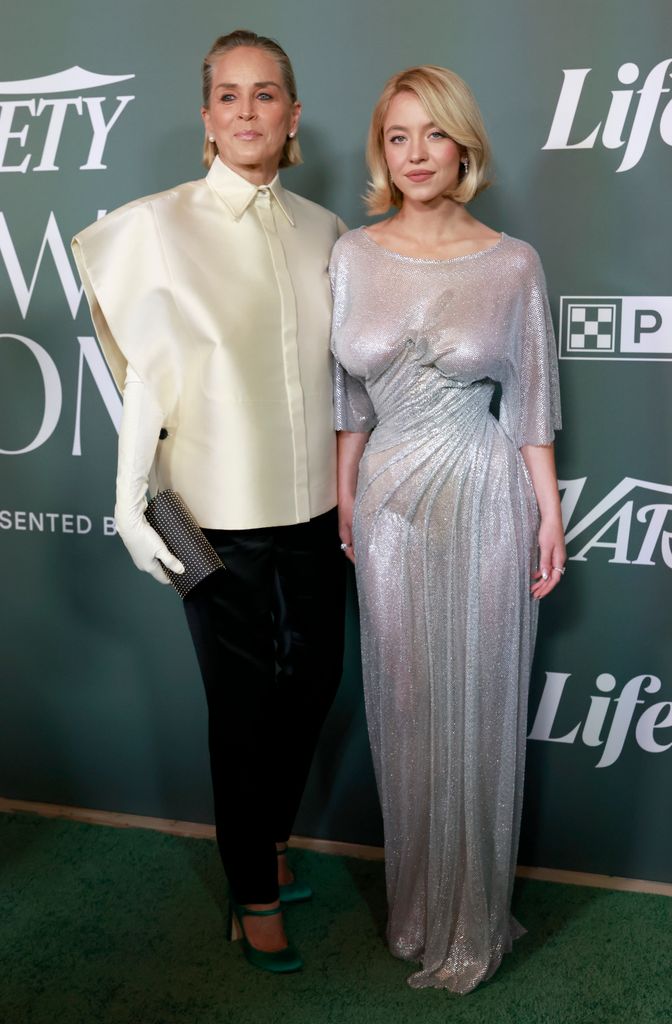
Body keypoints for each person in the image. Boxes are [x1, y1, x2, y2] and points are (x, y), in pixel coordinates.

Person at [72, 30, 347, 974]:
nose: (245, 111)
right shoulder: (158, 225)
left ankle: (265, 836)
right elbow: (146, 378)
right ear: (205, 116)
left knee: (311, 686)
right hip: (209, 509)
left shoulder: (325, 230)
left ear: (292, 114)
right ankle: (256, 889)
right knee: (240, 708)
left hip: (317, 508)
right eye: (227, 95)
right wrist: (126, 500)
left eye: (265, 94)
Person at [330, 65, 565, 993]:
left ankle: (472, 916)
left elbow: (533, 405)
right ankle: (420, 908)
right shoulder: (352, 253)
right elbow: (349, 395)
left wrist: (549, 515)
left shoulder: (513, 262)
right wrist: (343, 491)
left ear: (462, 145)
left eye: (432, 134)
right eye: (397, 136)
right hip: (385, 498)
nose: (415, 154)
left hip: (483, 494)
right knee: (404, 698)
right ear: (381, 151)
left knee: (478, 695)